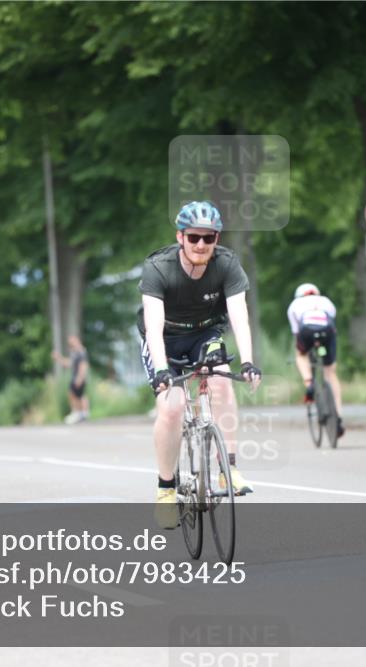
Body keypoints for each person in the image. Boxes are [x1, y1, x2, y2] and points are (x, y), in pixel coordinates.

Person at [138, 201, 262, 529]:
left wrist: (248, 362)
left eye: (209, 238)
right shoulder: (158, 268)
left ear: (217, 239)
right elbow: (152, 325)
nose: (201, 245)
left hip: (205, 333)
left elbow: (239, 317)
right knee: (173, 407)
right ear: (180, 237)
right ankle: (166, 490)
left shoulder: (227, 264)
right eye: (194, 237)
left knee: (221, 381)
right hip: (164, 338)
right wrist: (163, 370)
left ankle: (228, 468)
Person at [287, 283, 344, 438]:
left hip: (306, 330)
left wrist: (305, 346)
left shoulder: (294, 305)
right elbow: (331, 322)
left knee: (301, 355)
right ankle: (338, 417)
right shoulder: (326, 301)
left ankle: (309, 383)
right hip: (327, 331)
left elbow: (296, 332)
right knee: (331, 372)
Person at [53, 335, 90, 424]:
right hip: (76, 377)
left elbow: (84, 365)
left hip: (78, 377)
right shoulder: (75, 352)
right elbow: (69, 364)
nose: (71, 344)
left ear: (77, 340)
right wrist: (59, 359)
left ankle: (79, 413)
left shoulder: (81, 351)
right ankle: (81, 414)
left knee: (74, 395)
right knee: (78, 395)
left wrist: (80, 377)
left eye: (72, 341)